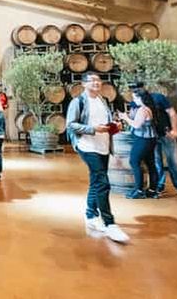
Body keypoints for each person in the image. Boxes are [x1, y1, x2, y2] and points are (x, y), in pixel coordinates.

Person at [66, 72, 129, 243]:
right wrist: (93, 129)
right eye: (92, 80)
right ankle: (110, 224)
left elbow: (106, 123)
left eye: (98, 80)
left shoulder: (103, 100)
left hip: (103, 146)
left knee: (96, 181)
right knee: (103, 183)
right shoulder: (78, 101)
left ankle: (91, 216)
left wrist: (114, 126)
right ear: (83, 84)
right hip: (87, 146)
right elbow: (71, 125)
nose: (96, 83)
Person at [132, 83, 177, 197]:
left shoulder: (158, 97)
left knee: (173, 161)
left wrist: (174, 130)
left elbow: (172, 113)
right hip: (152, 137)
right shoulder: (135, 102)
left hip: (166, 133)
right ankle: (159, 186)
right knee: (157, 162)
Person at [118, 89, 159, 199]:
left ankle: (139, 190)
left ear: (141, 98)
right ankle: (152, 190)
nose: (133, 100)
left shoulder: (142, 110)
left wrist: (125, 118)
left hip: (143, 139)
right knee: (150, 164)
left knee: (134, 161)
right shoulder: (149, 108)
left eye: (135, 98)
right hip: (151, 138)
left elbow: (136, 125)